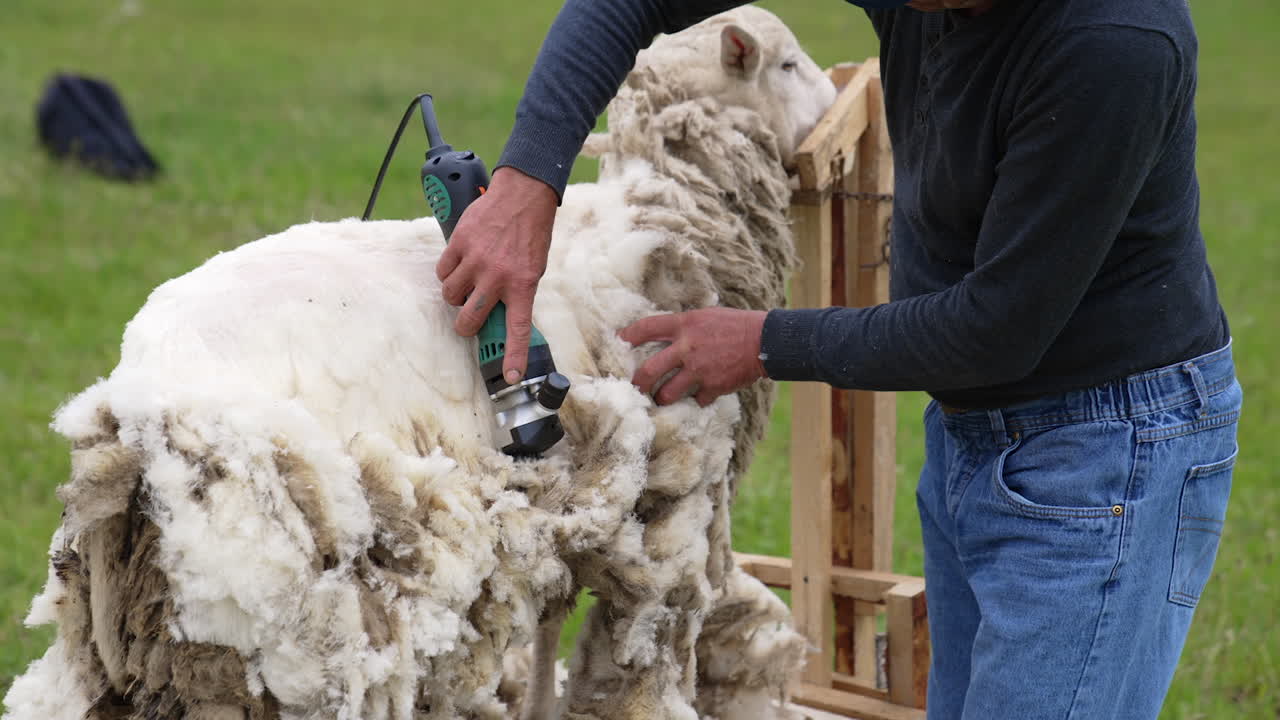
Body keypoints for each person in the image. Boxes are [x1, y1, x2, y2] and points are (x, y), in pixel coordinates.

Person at [434, 0, 1242, 717]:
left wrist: (763, 340)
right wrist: (527, 183)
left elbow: (997, 329)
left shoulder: (1115, 41)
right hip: (977, 436)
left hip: (1106, 453)